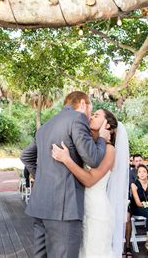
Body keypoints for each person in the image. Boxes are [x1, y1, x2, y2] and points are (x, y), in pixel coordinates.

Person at [20, 91, 110, 258]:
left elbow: (26, 156)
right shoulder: (78, 118)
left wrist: (41, 177)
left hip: (40, 205)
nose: (89, 115)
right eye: (91, 109)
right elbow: (93, 159)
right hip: (64, 208)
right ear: (83, 104)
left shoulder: (46, 125)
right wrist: (102, 139)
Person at [52, 108, 129, 257]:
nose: (91, 117)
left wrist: (66, 159)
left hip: (97, 212)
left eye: (96, 115)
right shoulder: (90, 147)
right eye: (92, 114)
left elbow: (90, 180)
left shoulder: (109, 150)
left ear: (107, 125)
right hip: (82, 208)